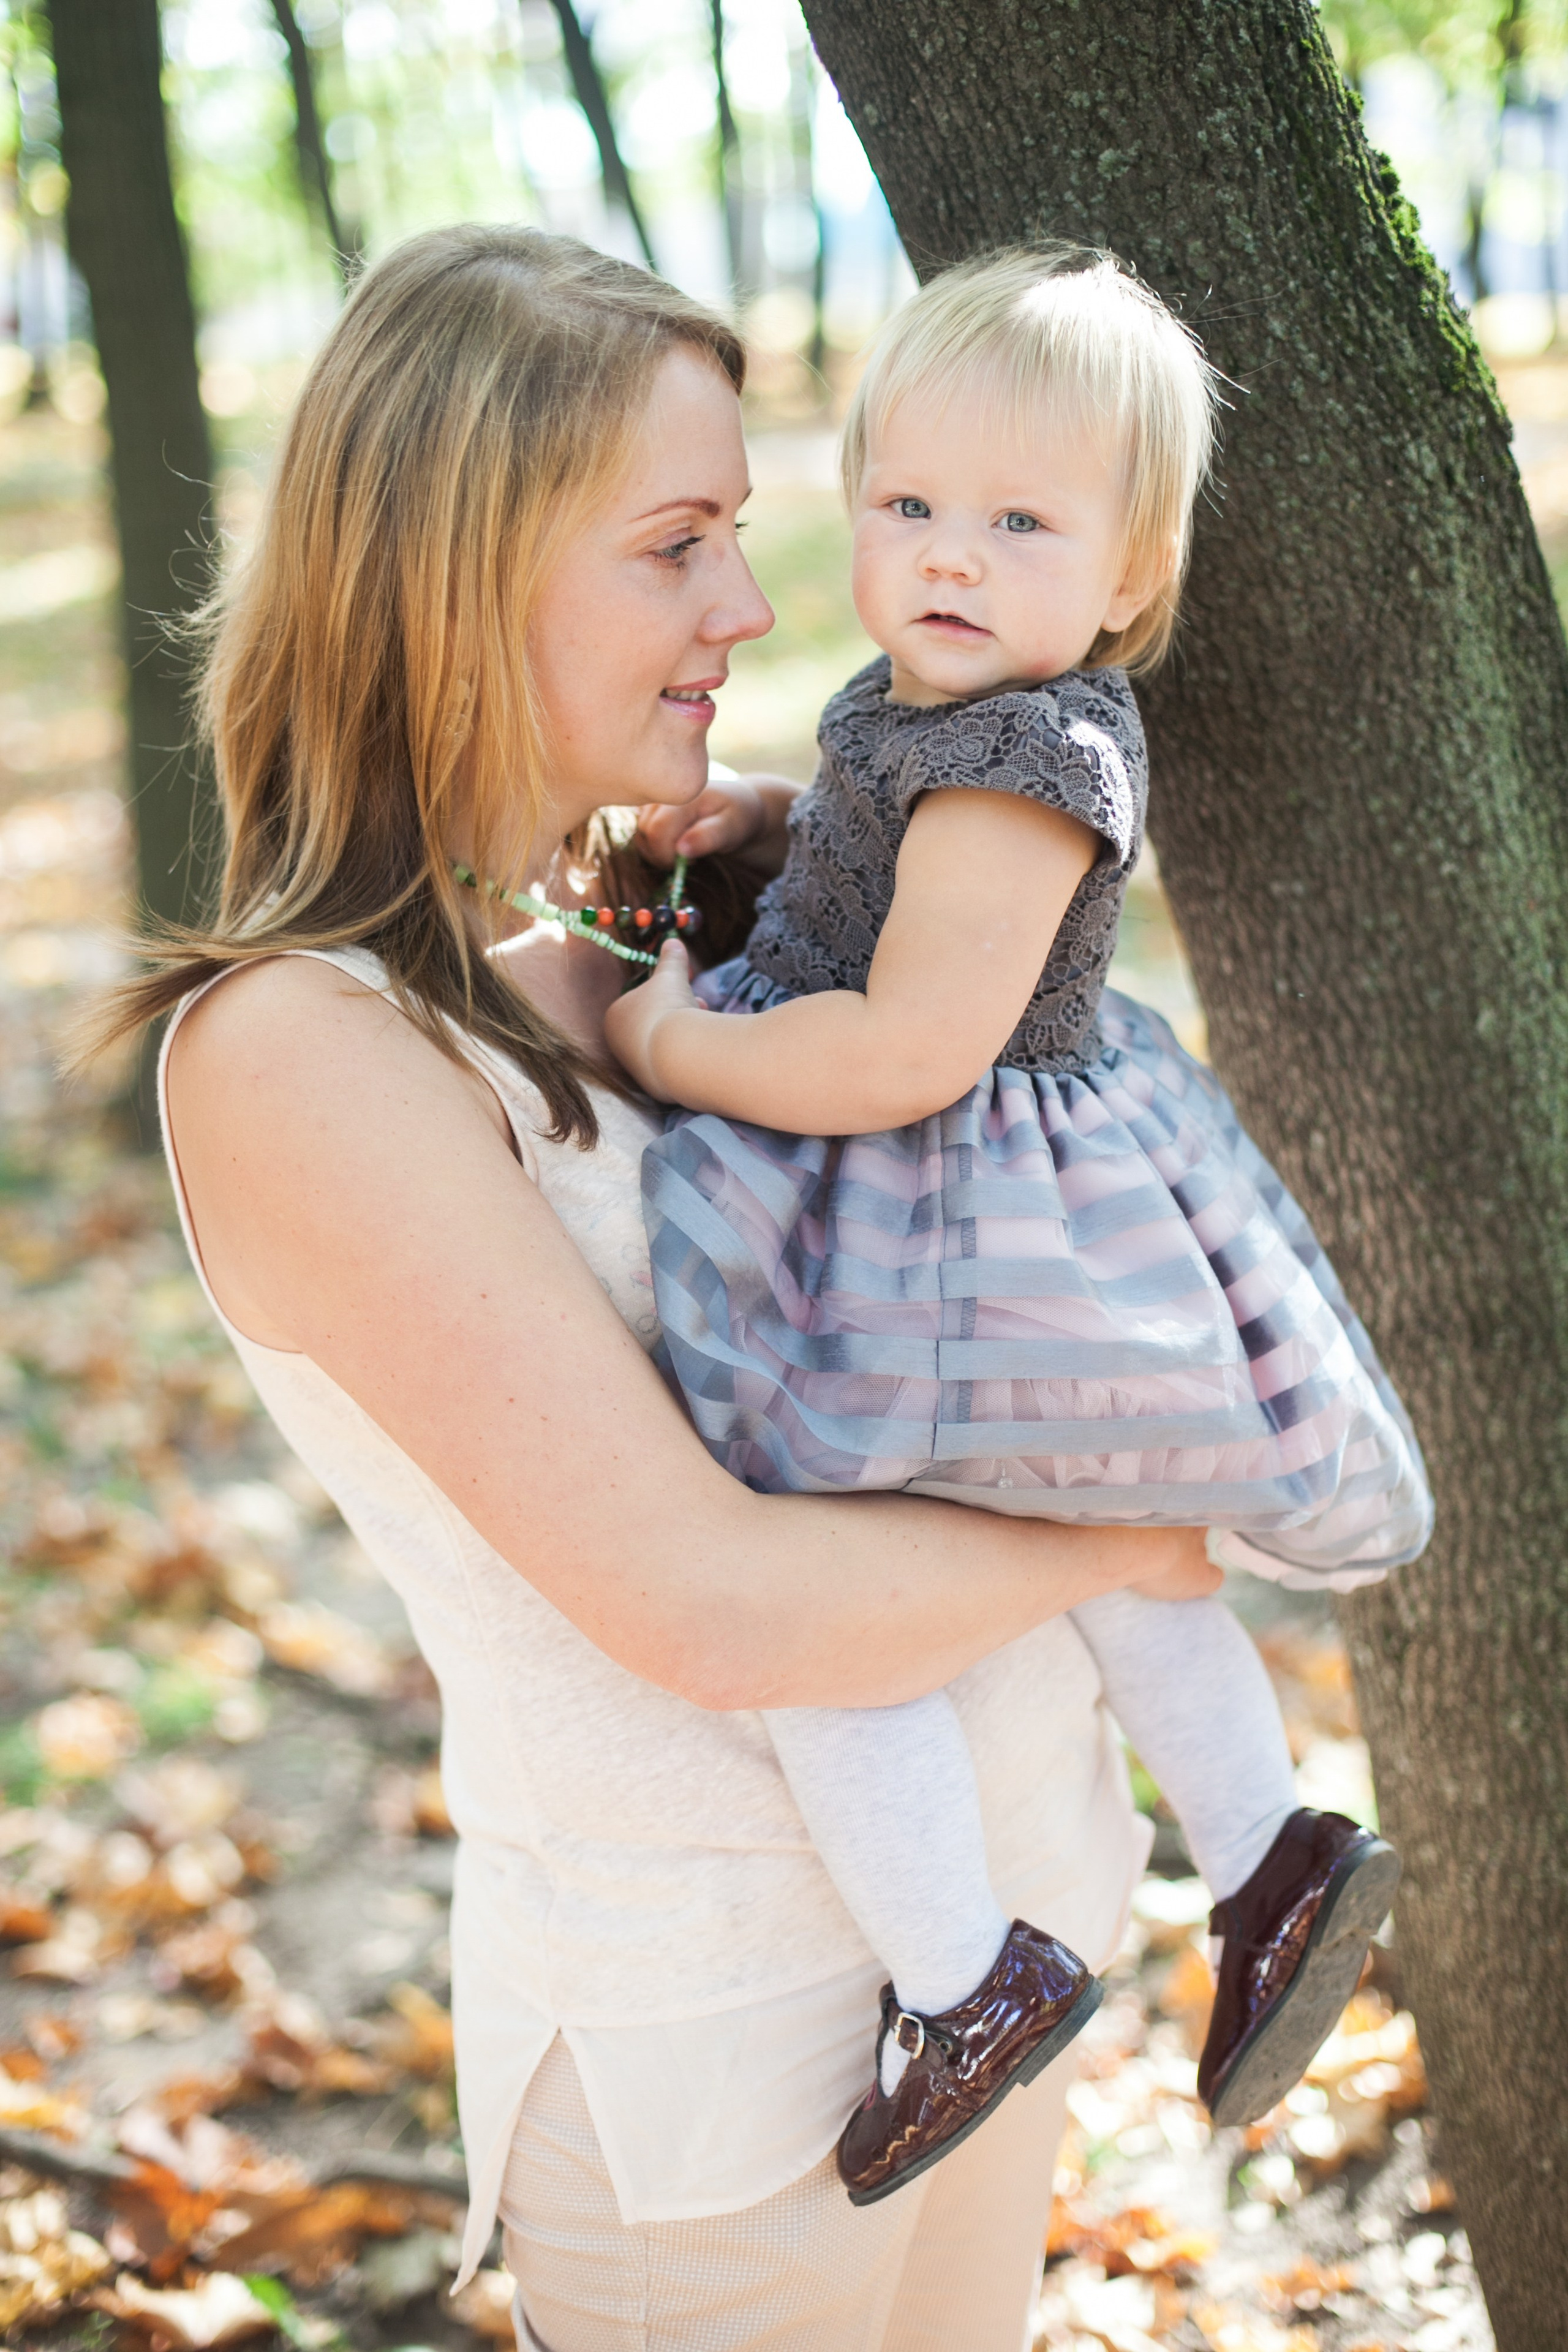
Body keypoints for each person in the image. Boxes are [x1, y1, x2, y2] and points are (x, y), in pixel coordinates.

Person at [85, 224, 1221, 2352]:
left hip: (1003, 1935)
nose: (754, 609)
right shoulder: (302, 1050)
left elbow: (731, 1037)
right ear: (454, 571)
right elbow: (711, 1604)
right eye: (678, 543)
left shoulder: (607, 916)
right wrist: (1150, 1512)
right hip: (728, 2073)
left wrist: (802, 863)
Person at [605, 246, 1433, 2204]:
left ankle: (964, 1978)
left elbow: (902, 1046)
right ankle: (1266, 1851)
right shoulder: (932, 714)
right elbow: (882, 845)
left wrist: (672, 1041)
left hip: (955, 1213)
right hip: (992, 1203)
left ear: (1124, 581)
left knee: (836, 1571)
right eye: (908, 506)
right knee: (1086, 1539)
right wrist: (774, 825)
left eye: (1019, 522)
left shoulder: (1032, 756)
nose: (950, 558)